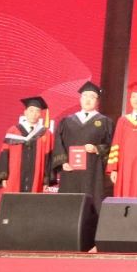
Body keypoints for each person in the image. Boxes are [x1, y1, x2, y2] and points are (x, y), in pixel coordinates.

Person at [53, 81, 113, 220]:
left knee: (92, 201)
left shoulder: (105, 122)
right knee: (68, 203)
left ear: (97, 101)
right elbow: (58, 142)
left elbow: (112, 145)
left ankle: (91, 231)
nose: (88, 99)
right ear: (80, 99)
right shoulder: (67, 121)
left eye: (92, 97)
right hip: (70, 170)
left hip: (93, 171)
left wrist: (97, 148)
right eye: (85, 96)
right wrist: (63, 162)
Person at [0, 97, 54, 193]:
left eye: (37, 111)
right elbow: (4, 155)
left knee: (32, 200)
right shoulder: (13, 131)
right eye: (31, 110)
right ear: (25, 112)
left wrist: (46, 180)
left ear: (40, 114)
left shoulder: (46, 133)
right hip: (14, 176)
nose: (34, 114)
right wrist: (3, 176)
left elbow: (48, 158)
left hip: (36, 178)